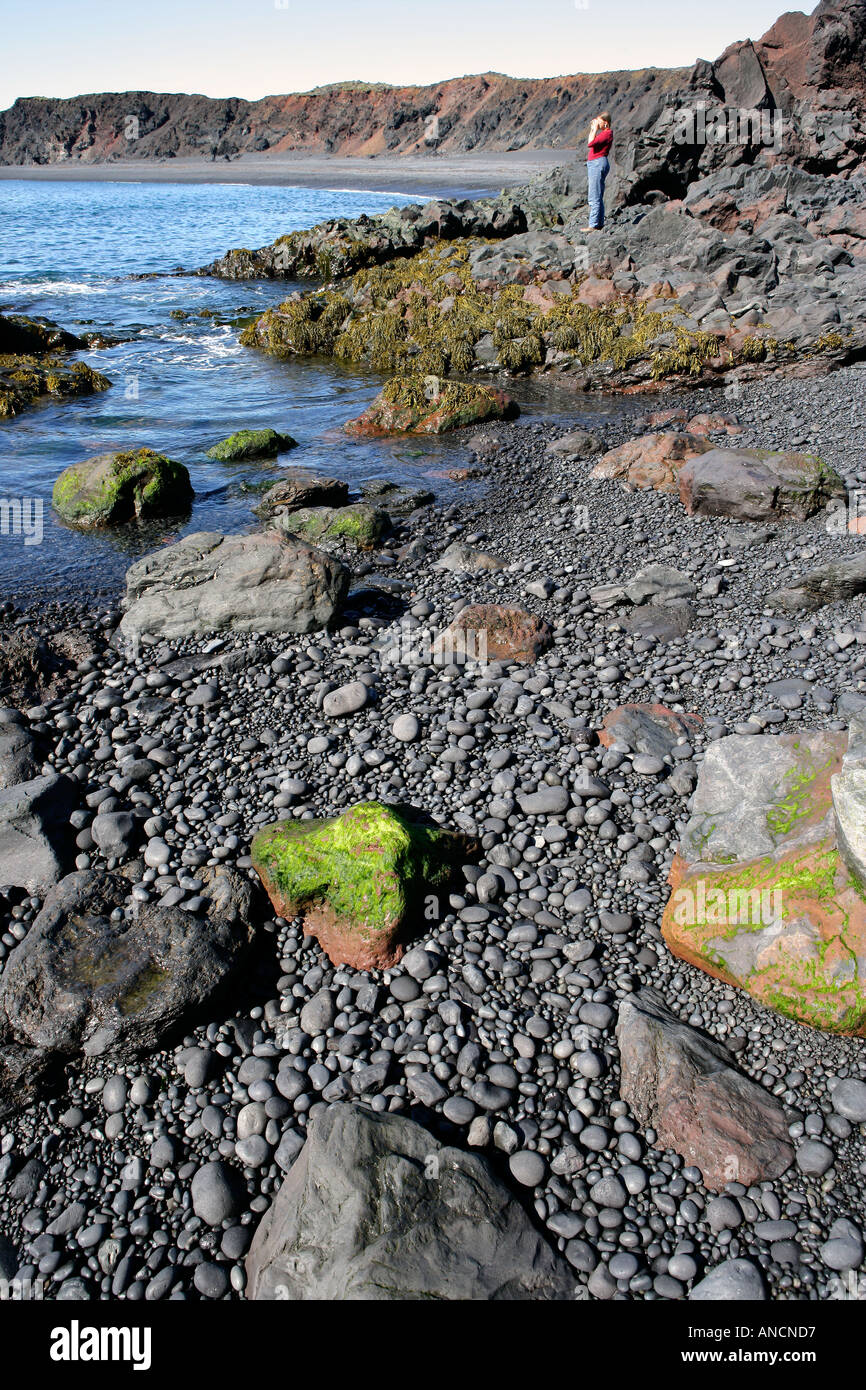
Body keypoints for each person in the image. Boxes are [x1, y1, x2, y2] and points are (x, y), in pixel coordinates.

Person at [581, 111, 613, 232]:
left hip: (597, 163)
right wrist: (594, 129)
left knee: (594, 196)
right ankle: (598, 224)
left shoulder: (607, 133)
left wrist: (593, 129)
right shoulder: (605, 134)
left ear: (605, 123)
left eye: (599, 121)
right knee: (597, 194)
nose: (597, 123)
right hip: (596, 163)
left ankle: (593, 225)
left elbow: (590, 143)